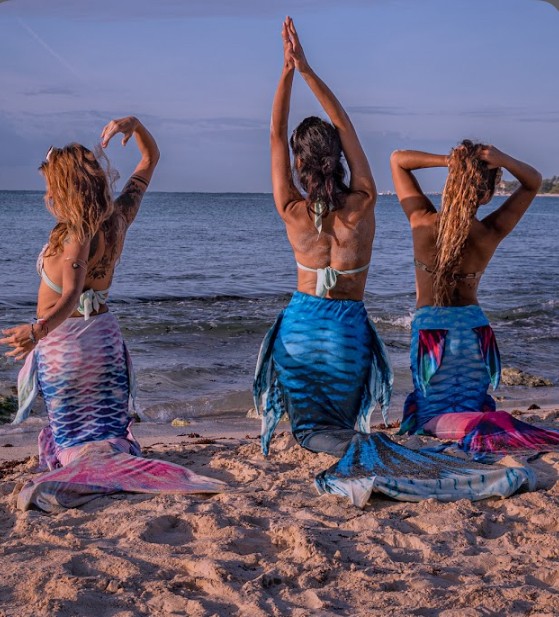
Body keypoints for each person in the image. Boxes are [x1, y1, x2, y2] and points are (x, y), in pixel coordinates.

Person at [253, 18, 534, 507]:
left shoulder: (290, 209)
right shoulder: (363, 200)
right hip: (347, 332)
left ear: (300, 165)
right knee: (342, 425)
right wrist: (310, 70)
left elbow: (276, 134)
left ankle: (358, 453)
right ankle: (373, 448)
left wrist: (287, 72)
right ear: (340, 158)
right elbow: (346, 126)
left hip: (300, 326)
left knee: (312, 430)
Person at [0, 117, 224, 511]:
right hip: (104, 341)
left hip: (67, 347)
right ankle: (111, 468)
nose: (48, 193)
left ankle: (81, 479)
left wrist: (37, 331)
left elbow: (72, 294)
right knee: (105, 432)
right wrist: (135, 126)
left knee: (74, 439)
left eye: (52, 185)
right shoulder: (119, 217)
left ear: (67, 187)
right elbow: (150, 160)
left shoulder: (76, 234)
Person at [391, 141, 559, 456]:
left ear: (452, 182)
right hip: (474, 334)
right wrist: (503, 158)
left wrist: (451, 161)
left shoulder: (421, 220)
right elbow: (533, 181)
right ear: (487, 193)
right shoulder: (490, 232)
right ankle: (489, 423)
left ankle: (491, 424)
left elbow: (398, 159)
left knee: (431, 416)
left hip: (434, 335)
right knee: (467, 404)